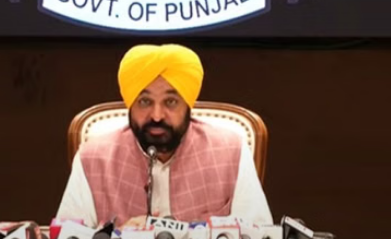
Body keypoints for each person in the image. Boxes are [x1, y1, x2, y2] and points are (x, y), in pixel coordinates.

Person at [55, 44, 273, 228]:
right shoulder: (93, 157)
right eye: (145, 102)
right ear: (130, 105)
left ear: (188, 105)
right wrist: (116, 238)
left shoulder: (230, 151)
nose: (157, 116)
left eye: (170, 102)